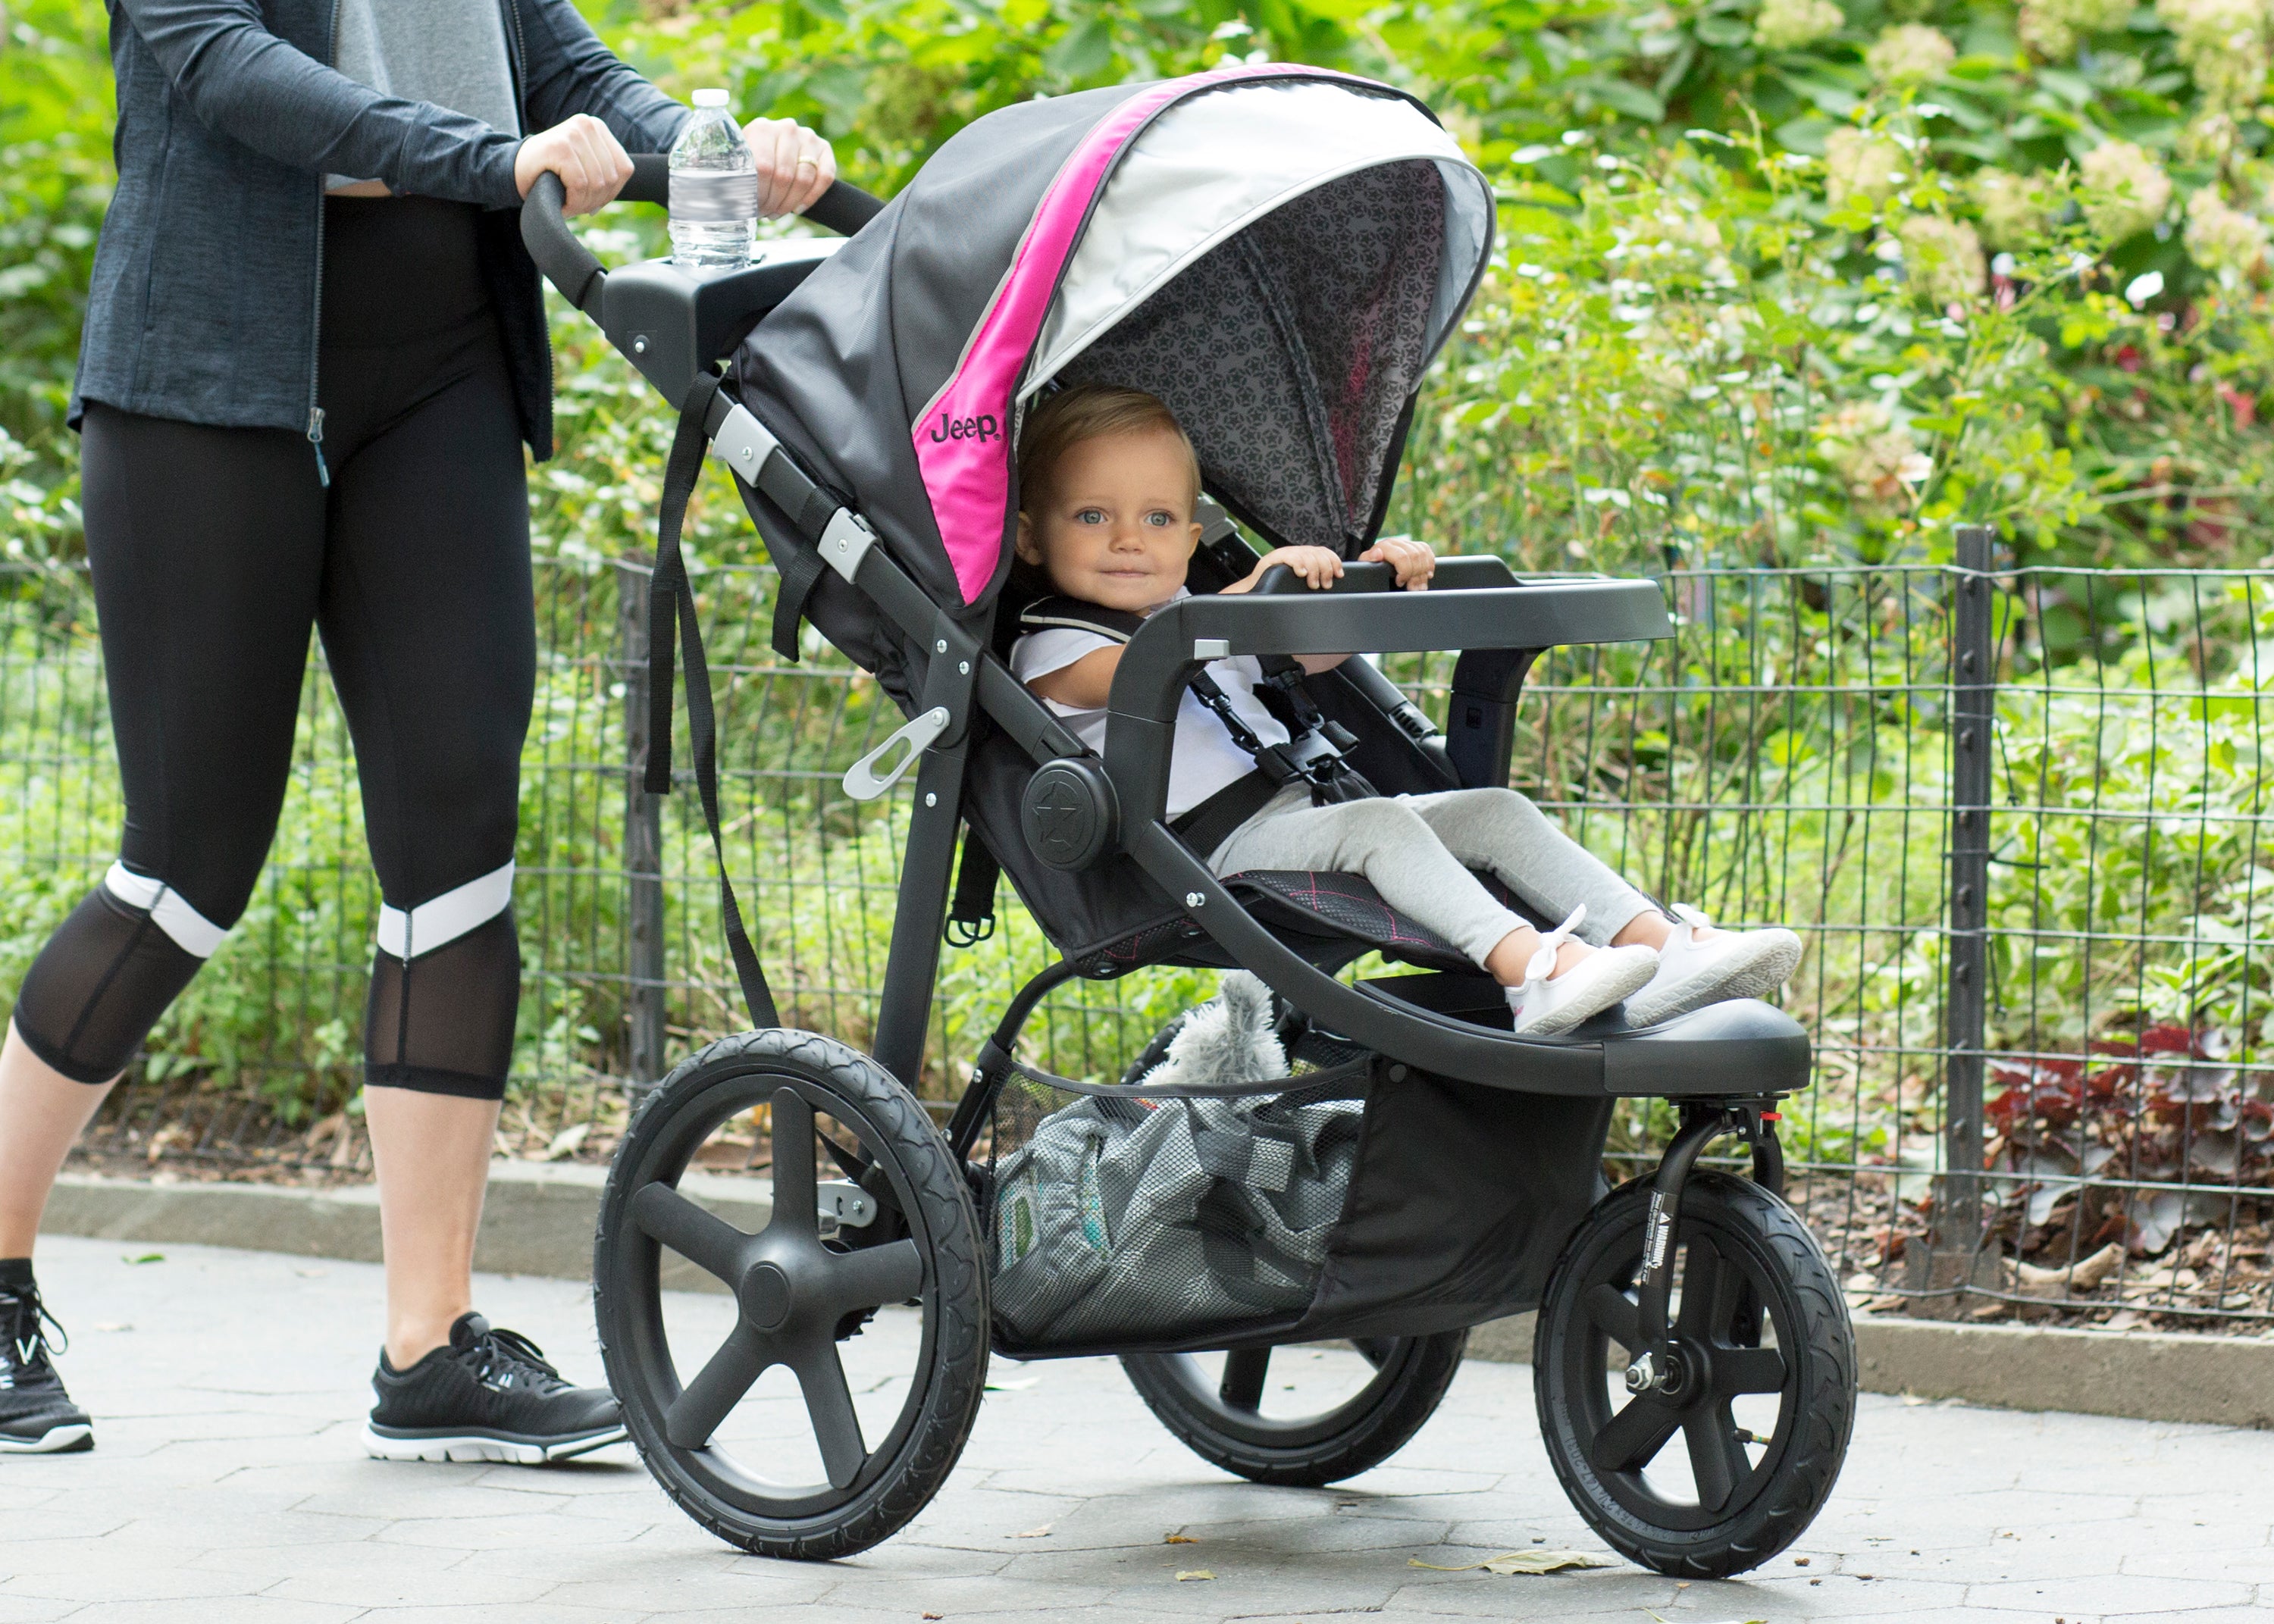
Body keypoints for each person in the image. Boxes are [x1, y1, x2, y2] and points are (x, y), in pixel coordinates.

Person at [0, 0, 836, 1460]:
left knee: (458, 858)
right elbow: (227, 72)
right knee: (187, 871)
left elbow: (558, 67)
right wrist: (492, 158)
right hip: (215, 369)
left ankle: (431, 1345)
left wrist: (702, 147)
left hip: (443, 362)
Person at [1009, 383, 1803, 1036]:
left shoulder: (1201, 607)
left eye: (1154, 519)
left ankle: (1661, 949)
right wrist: (1246, 601)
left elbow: (1316, 657)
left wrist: (1377, 578)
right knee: (1384, 826)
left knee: (1493, 809)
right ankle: (1532, 973)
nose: (1125, 539)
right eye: (1091, 516)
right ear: (1030, 539)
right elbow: (1136, 673)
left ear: (1188, 538)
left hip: (1298, 810)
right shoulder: (1051, 647)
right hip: (1204, 850)